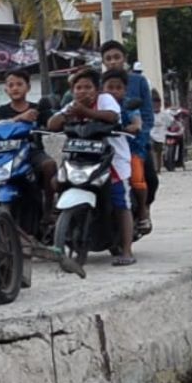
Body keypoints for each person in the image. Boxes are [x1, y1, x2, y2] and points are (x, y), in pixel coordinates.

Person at [48, 69, 135, 266]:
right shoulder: (72, 105)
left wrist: (84, 112)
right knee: (58, 181)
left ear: (97, 90)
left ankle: (127, 251)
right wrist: (65, 115)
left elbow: (112, 117)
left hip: (112, 159)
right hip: (81, 157)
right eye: (78, 88)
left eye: (88, 87)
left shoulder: (106, 101)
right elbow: (52, 124)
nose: (83, 91)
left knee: (120, 199)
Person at [99, 40, 154, 237]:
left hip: (133, 143)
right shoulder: (98, 84)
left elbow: (146, 114)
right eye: (108, 58)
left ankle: (143, 210)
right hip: (106, 142)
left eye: (117, 57)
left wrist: (140, 134)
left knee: (144, 176)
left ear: (124, 59)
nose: (113, 62)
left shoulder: (139, 82)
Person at [0, 69, 57, 224]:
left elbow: (52, 123)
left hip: (32, 151)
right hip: (8, 153)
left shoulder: (38, 108)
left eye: (19, 84)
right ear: (6, 89)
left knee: (49, 165)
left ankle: (48, 211)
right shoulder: (2, 111)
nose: (15, 88)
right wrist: (20, 118)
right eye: (11, 85)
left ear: (28, 87)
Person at [150, 89, 175, 175]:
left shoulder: (164, 114)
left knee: (159, 152)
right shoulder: (149, 114)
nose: (156, 105)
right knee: (152, 150)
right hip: (151, 136)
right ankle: (155, 168)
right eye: (154, 103)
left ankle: (158, 169)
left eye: (158, 103)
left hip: (161, 137)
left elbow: (171, 122)